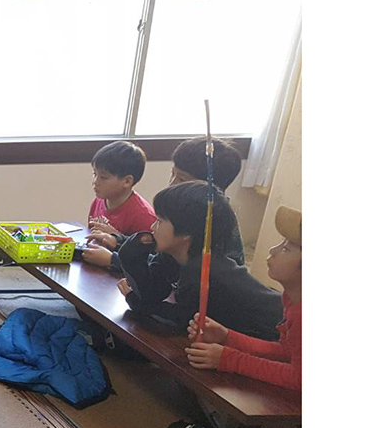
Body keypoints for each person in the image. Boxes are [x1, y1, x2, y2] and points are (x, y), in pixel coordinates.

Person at [117, 181, 283, 341]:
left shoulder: (204, 271)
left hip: (277, 329)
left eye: (159, 221)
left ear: (185, 234)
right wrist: (131, 258)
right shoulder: (172, 255)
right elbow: (153, 293)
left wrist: (138, 304)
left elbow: (184, 320)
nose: (152, 227)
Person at [83, 136, 246, 267]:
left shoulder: (211, 227)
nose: (172, 184)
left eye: (181, 179)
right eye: (172, 174)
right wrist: (118, 241)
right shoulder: (182, 210)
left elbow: (166, 271)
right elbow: (155, 252)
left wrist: (114, 260)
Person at [187, 206, 301, 389]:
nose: (273, 250)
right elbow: (286, 352)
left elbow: (299, 378)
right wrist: (227, 337)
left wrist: (229, 359)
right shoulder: (292, 299)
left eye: (286, 249)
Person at [84, 141, 157, 241]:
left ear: (127, 181)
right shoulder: (98, 201)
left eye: (103, 177)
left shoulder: (143, 216)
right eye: (94, 174)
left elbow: (146, 250)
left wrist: (116, 237)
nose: (95, 182)